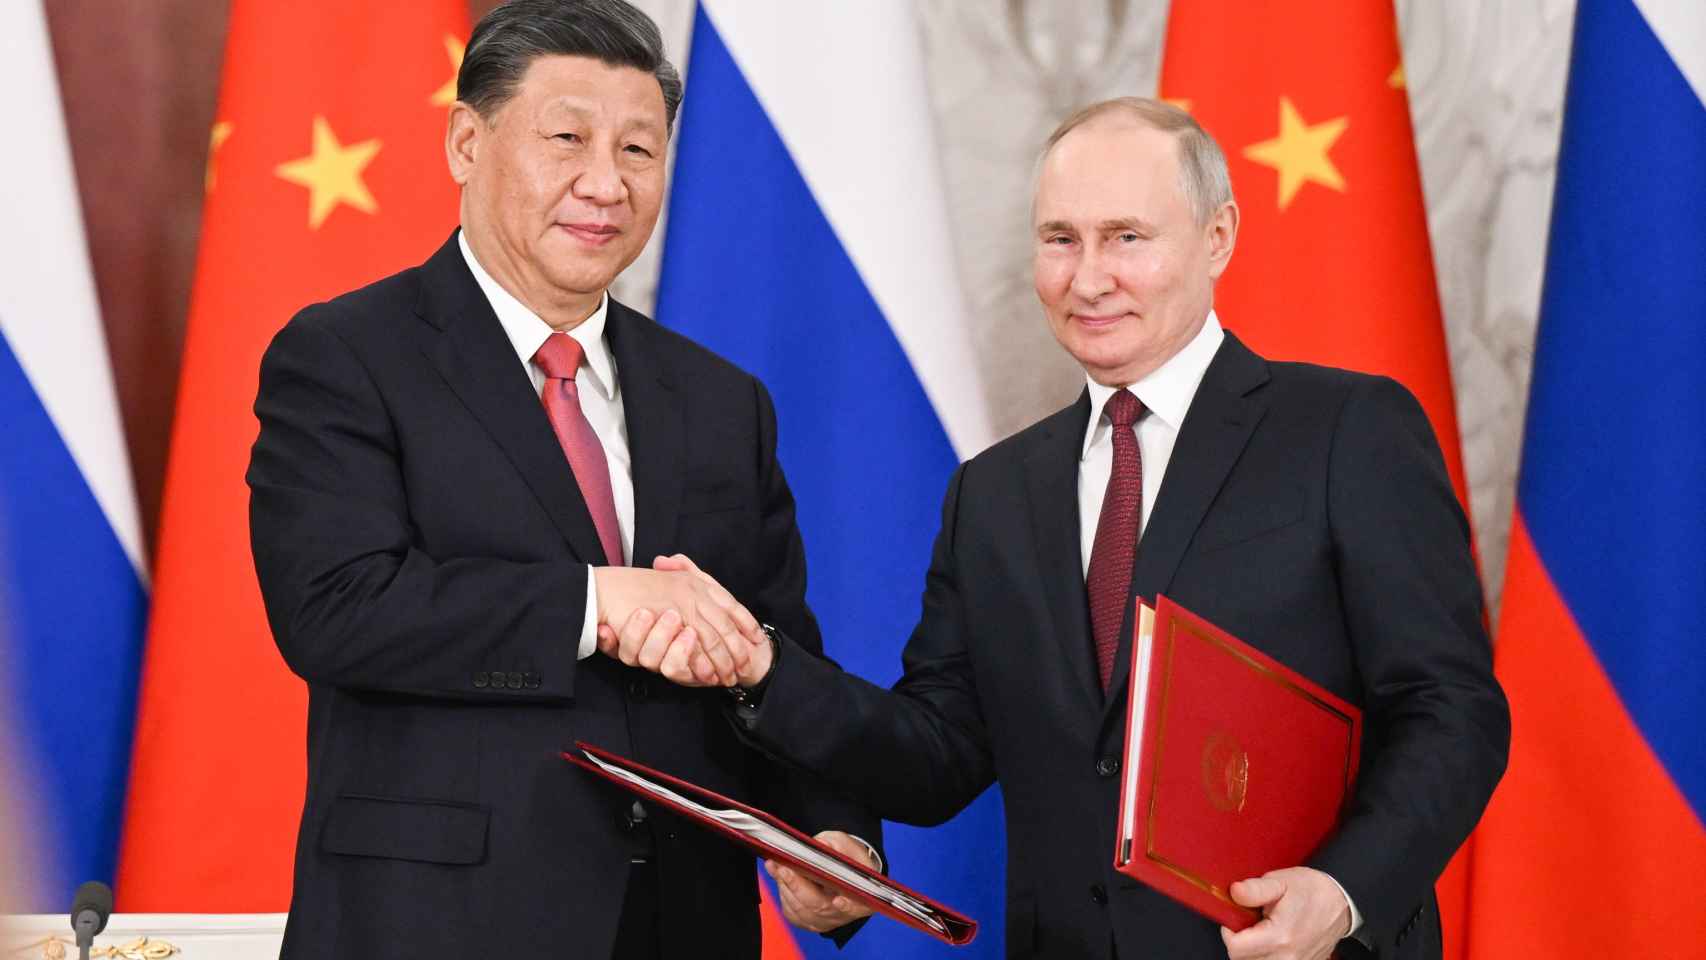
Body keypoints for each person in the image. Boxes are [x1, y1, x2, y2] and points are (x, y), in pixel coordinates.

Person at [609, 98, 1510, 959]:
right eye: (1060, 240)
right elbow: (938, 754)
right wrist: (763, 667)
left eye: (1127, 238)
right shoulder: (994, 494)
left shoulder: (1347, 429)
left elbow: (1453, 710)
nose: (1088, 278)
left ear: (1218, 237)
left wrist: (1343, 890)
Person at [245, 2, 880, 957]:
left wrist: (828, 830)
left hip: (683, 922)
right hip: (433, 925)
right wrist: (595, 605)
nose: (605, 183)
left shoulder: (721, 400)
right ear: (467, 141)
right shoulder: (344, 356)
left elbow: (771, 648)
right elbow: (334, 607)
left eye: (639, 150)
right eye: (568, 139)